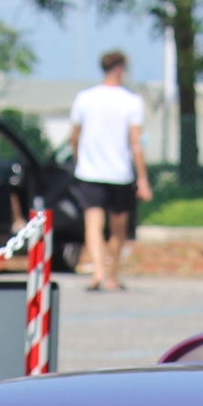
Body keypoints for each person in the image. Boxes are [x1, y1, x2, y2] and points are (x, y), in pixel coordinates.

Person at [68, 49, 152, 292]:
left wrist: (78, 158)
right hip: (120, 173)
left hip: (90, 172)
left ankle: (97, 272)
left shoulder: (84, 98)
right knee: (118, 228)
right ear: (120, 69)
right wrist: (143, 178)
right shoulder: (131, 101)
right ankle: (111, 275)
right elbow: (137, 143)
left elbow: (74, 136)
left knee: (93, 225)